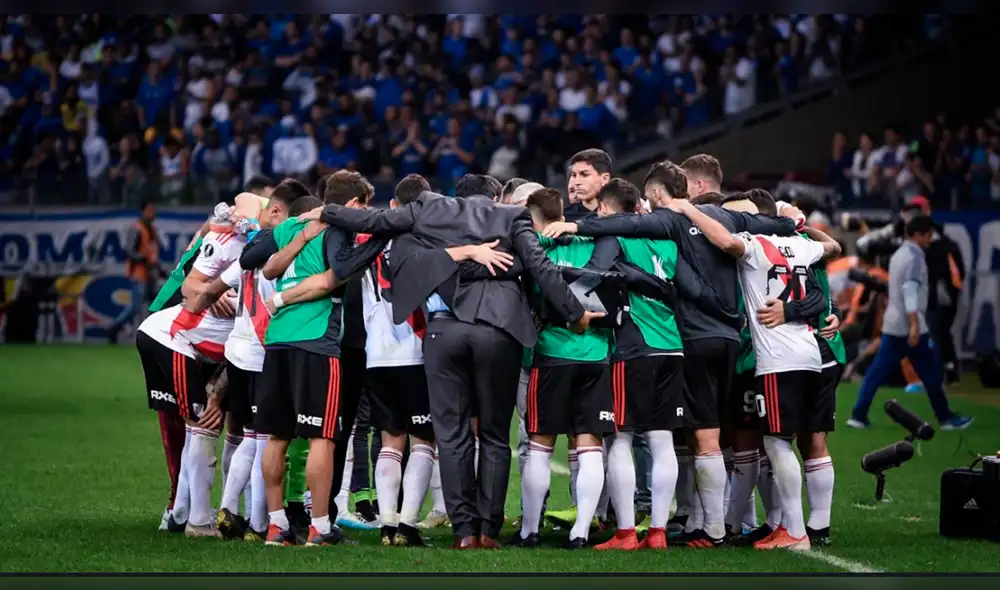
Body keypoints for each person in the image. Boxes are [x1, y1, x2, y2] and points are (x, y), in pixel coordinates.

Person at [299, 176, 601, 549]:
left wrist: (327, 211)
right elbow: (539, 265)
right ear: (494, 196)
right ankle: (488, 531)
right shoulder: (511, 214)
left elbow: (374, 222)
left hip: (444, 333)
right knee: (492, 434)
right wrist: (574, 313)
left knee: (452, 434)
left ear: (455, 196)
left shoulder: (429, 209)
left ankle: (463, 532)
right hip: (499, 329)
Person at [541, 159, 799, 547]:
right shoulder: (723, 219)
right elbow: (770, 228)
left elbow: (622, 226)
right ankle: (690, 526)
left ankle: (639, 530)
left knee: (628, 438)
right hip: (715, 341)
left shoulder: (664, 226)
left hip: (664, 341)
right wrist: (790, 219)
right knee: (694, 438)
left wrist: (577, 225)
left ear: (658, 194)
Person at [666, 195, 842, 551]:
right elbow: (834, 247)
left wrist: (686, 209)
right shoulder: (799, 244)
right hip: (810, 353)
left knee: (777, 444)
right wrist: (800, 224)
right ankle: (792, 527)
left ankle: (793, 530)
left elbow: (727, 240)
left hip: (777, 358)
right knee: (788, 443)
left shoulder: (757, 245)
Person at [242, 171, 388, 547]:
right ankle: (320, 527)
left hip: (276, 342)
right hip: (316, 340)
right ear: (352, 205)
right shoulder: (336, 228)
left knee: (277, 435)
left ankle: (276, 526)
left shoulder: (287, 226)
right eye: (364, 206)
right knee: (322, 436)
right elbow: (332, 278)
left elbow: (255, 259)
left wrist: (290, 245)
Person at [178, 182, 310, 541]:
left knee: (247, 434)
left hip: (235, 351)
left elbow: (214, 287)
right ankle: (254, 522)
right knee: (262, 439)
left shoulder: (250, 248)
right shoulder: (288, 250)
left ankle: (228, 507)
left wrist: (195, 300)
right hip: (262, 353)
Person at [135, 198, 258, 537]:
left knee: (203, 426)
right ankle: (194, 519)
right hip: (169, 338)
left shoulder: (256, 258)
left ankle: (188, 514)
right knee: (198, 425)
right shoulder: (229, 244)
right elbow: (190, 285)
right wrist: (209, 290)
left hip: (200, 348)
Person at [513, 187, 617, 549]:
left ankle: (530, 530)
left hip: (552, 352)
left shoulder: (535, 244)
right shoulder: (601, 240)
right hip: (596, 353)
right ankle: (581, 532)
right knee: (588, 444)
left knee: (540, 444)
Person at [849, 215, 974, 431]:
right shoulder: (915, 257)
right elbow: (910, 291)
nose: (930, 239)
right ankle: (946, 419)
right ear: (919, 234)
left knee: (875, 373)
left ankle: (858, 415)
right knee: (931, 375)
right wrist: (915, 325)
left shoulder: (898, 254)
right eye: (928, 235)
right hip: (910, 327)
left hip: (893, 324)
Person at [109, 200, 162, 343]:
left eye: (154, 210)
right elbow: (129, 251)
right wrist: (143, 259)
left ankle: (155, 335)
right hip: (139, 273)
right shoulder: (137, 229)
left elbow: (153, 252)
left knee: (156, 305)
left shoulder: (152, 230)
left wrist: (158, 268)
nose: (153, 213)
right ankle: (114, 327)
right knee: (136, 307)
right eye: (150, 210)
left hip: (151, 274)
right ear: (143, 211)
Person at [563, 149, 611, 222]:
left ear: (605, 178)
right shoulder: (563, 217)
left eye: (584, 175)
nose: (577, 182)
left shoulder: (622, 212)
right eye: (574, 175)